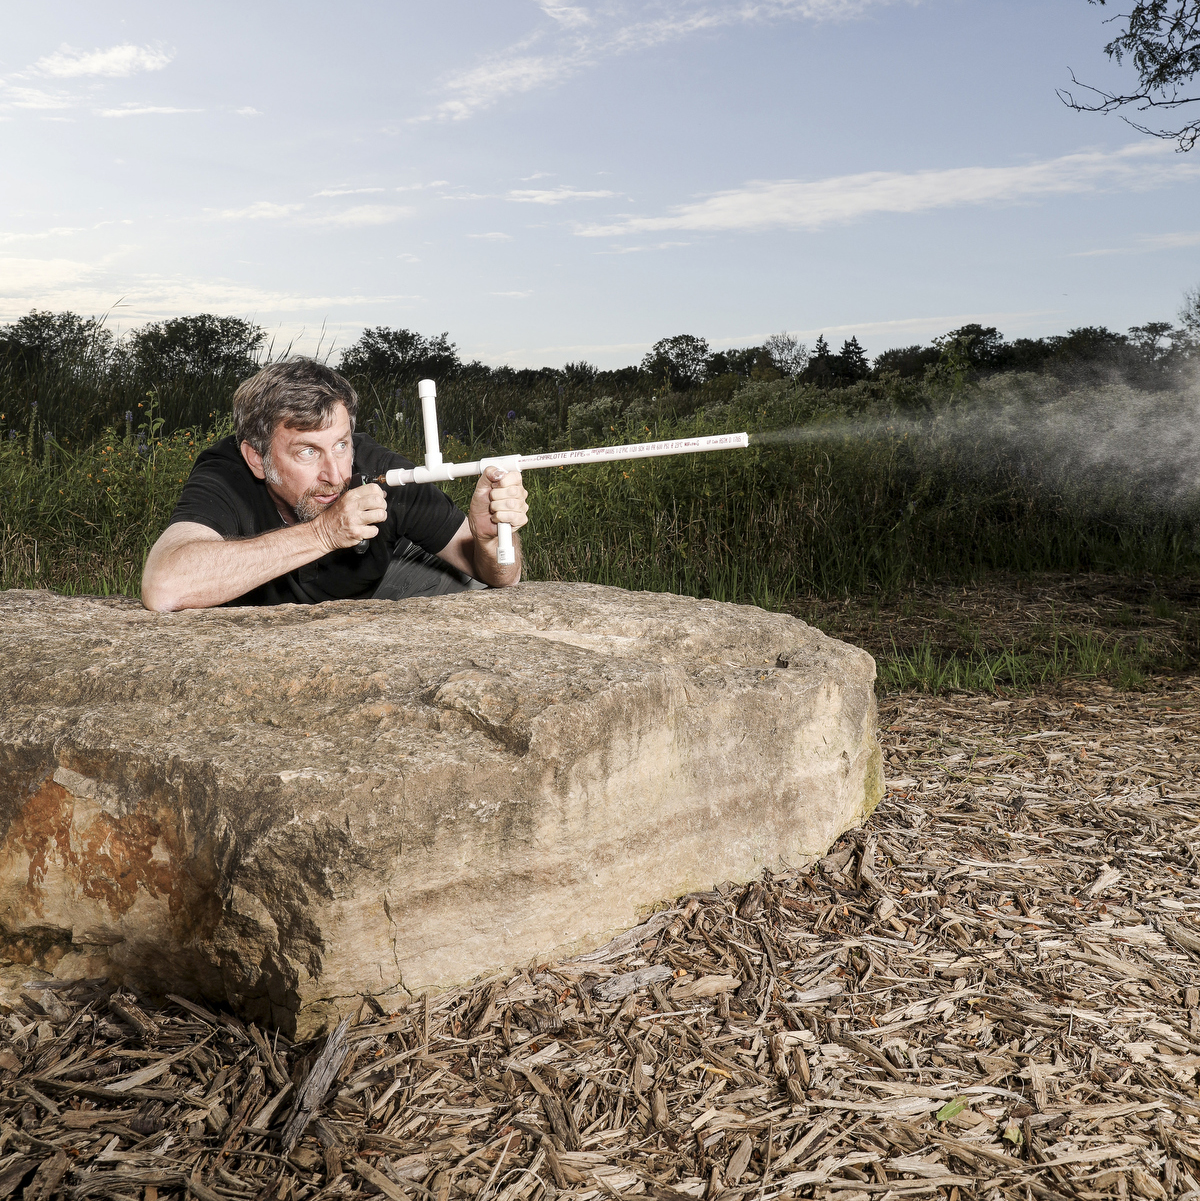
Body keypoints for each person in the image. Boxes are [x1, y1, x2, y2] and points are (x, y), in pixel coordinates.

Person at [141, 358, 528, 611]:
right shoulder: (227, 472)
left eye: (341, 445)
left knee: (477, 595)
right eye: (307, 452)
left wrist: (492, 543)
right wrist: (324, 534)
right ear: (257, 458)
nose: (335, 473)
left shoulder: (382, 471)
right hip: (260, 622)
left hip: (373, 596)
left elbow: (500, 576)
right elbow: (164, 586)